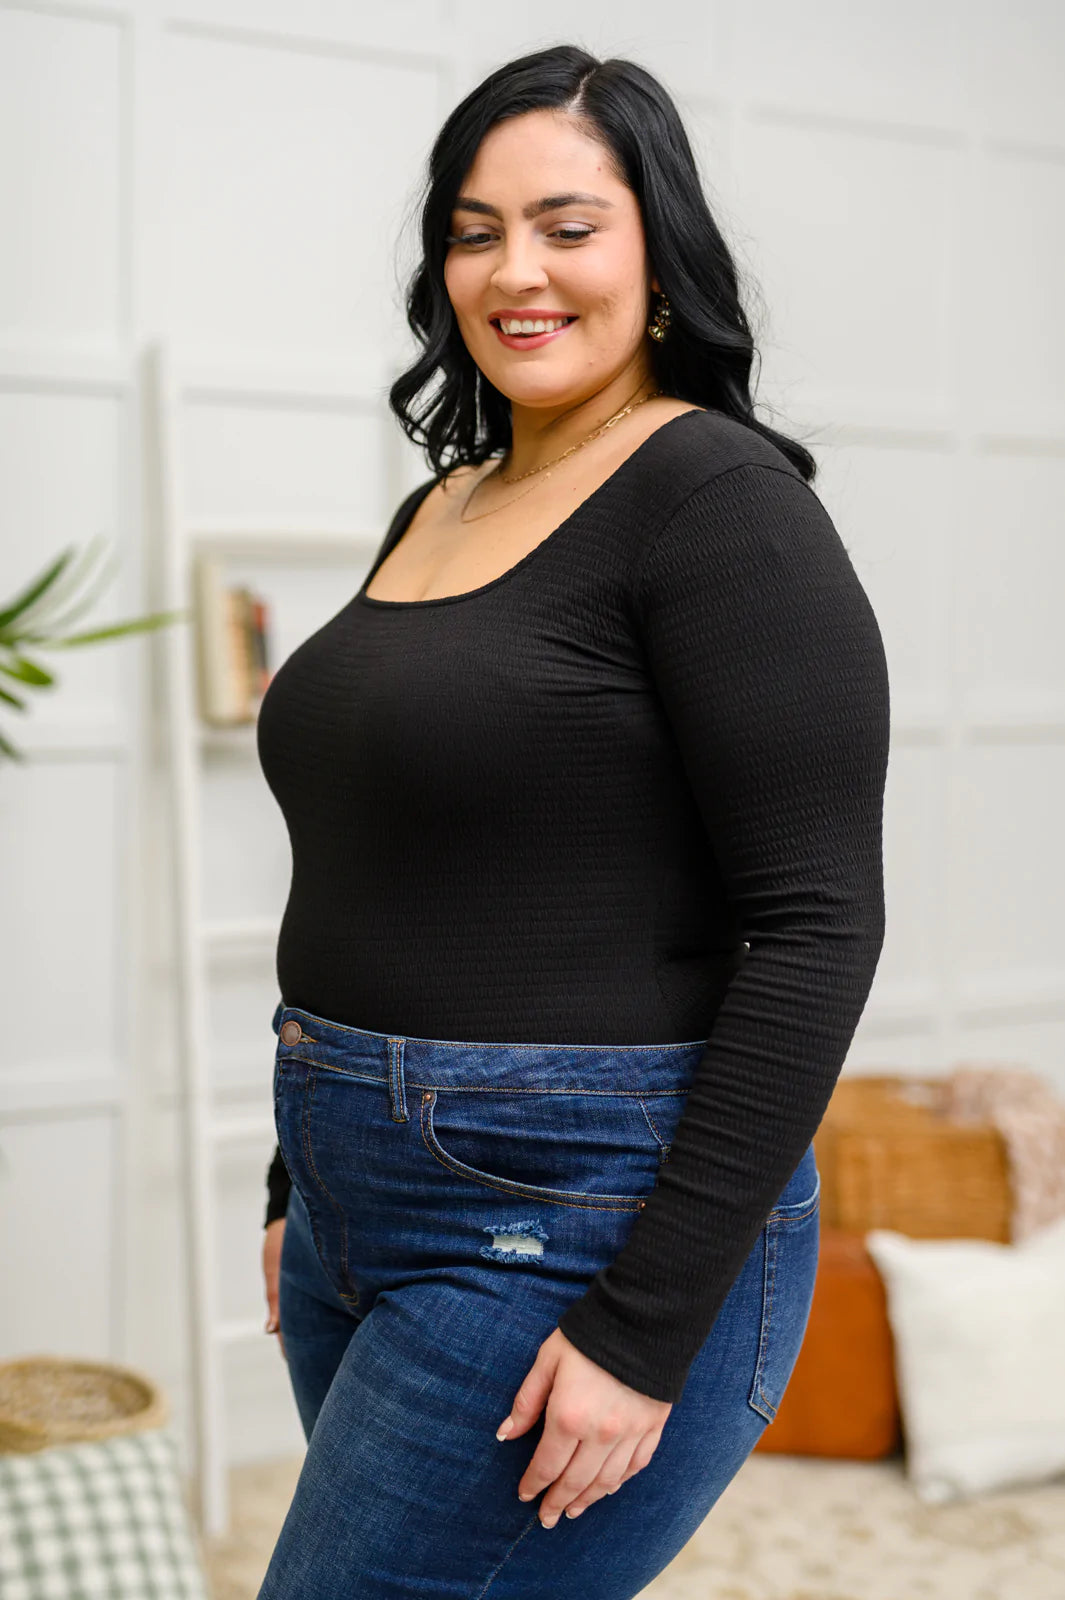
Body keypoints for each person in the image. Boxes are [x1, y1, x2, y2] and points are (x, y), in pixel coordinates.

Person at [253, 42, 889, 1600]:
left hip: (573, 1213)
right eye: (473, 232)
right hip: (351, 1185)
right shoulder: (439, 505)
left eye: (566, 226)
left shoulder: (718, 500)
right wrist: (298, 1186)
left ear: (659, 256)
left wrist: (643, 1328)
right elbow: (381, 861)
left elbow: (816, 925)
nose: (514, 271)